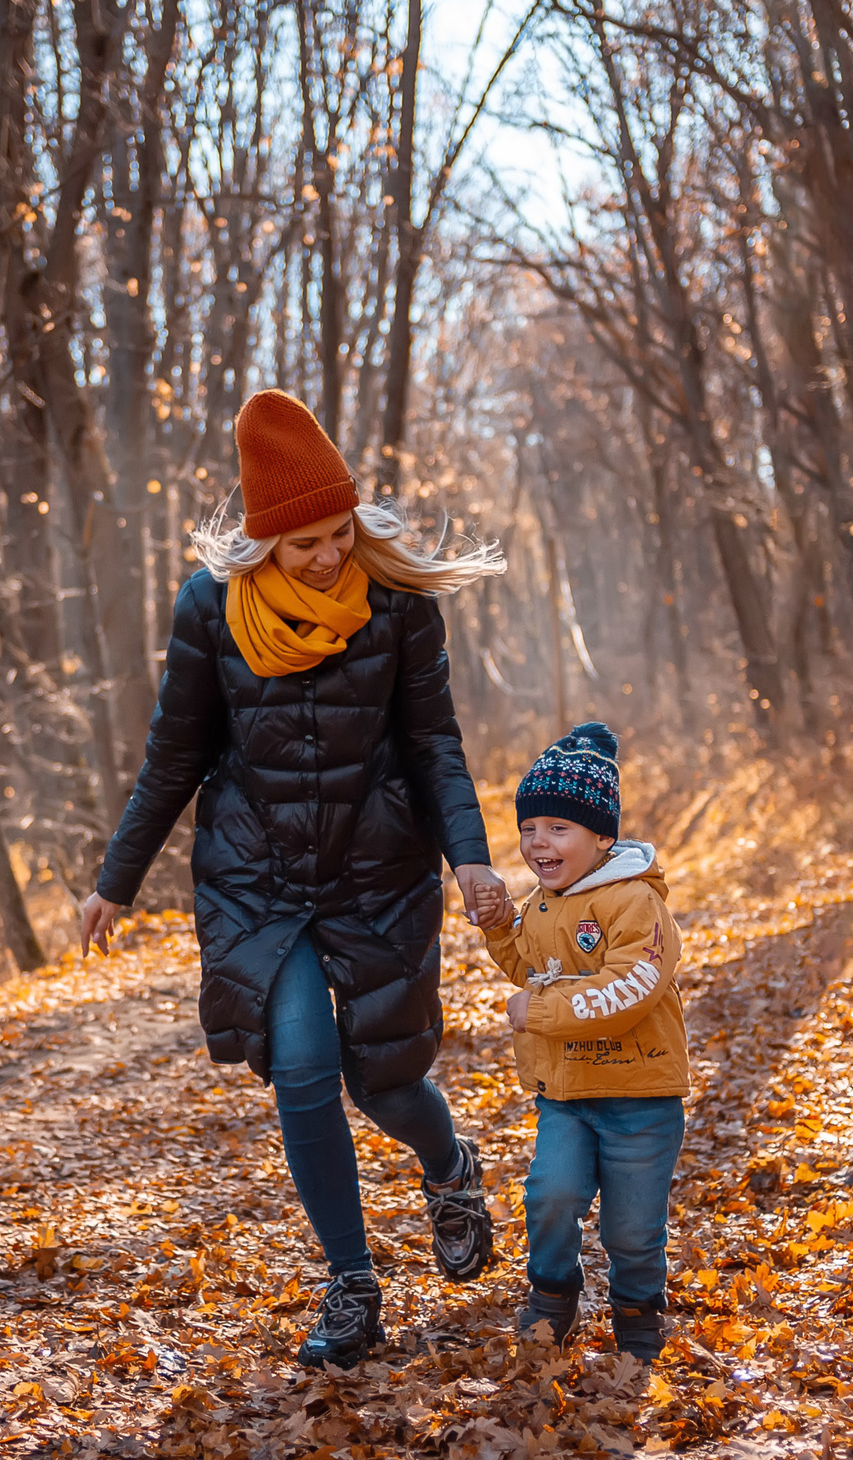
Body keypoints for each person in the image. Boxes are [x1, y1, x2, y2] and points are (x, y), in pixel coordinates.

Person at [78, 388, 513, 1369]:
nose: (328, 555)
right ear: (261, 541)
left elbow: (433, 743)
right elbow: (174, 754)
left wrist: (470, 855)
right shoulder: (210, 610)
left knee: (385, 1083)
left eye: (339, 533)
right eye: (305, 541)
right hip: (255, 882)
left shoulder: (395, 605)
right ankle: (353, 1286)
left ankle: (448, 1169)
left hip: (377, 873)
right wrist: (117, 879)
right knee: (304, 1069)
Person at [478, 722, 690, 1364]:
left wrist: (536, 1009)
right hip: (566, 1094)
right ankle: (552, 1293)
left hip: (639, 1097)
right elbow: (532, 969)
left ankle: (636, 1304)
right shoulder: (543, 904)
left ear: (603, 838)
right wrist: (499, 929)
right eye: (529, 828)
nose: (539, 842)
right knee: (551, 1196)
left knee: (632, 1227)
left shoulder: (634, 903)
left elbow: (631, 987)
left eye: (559, 828)